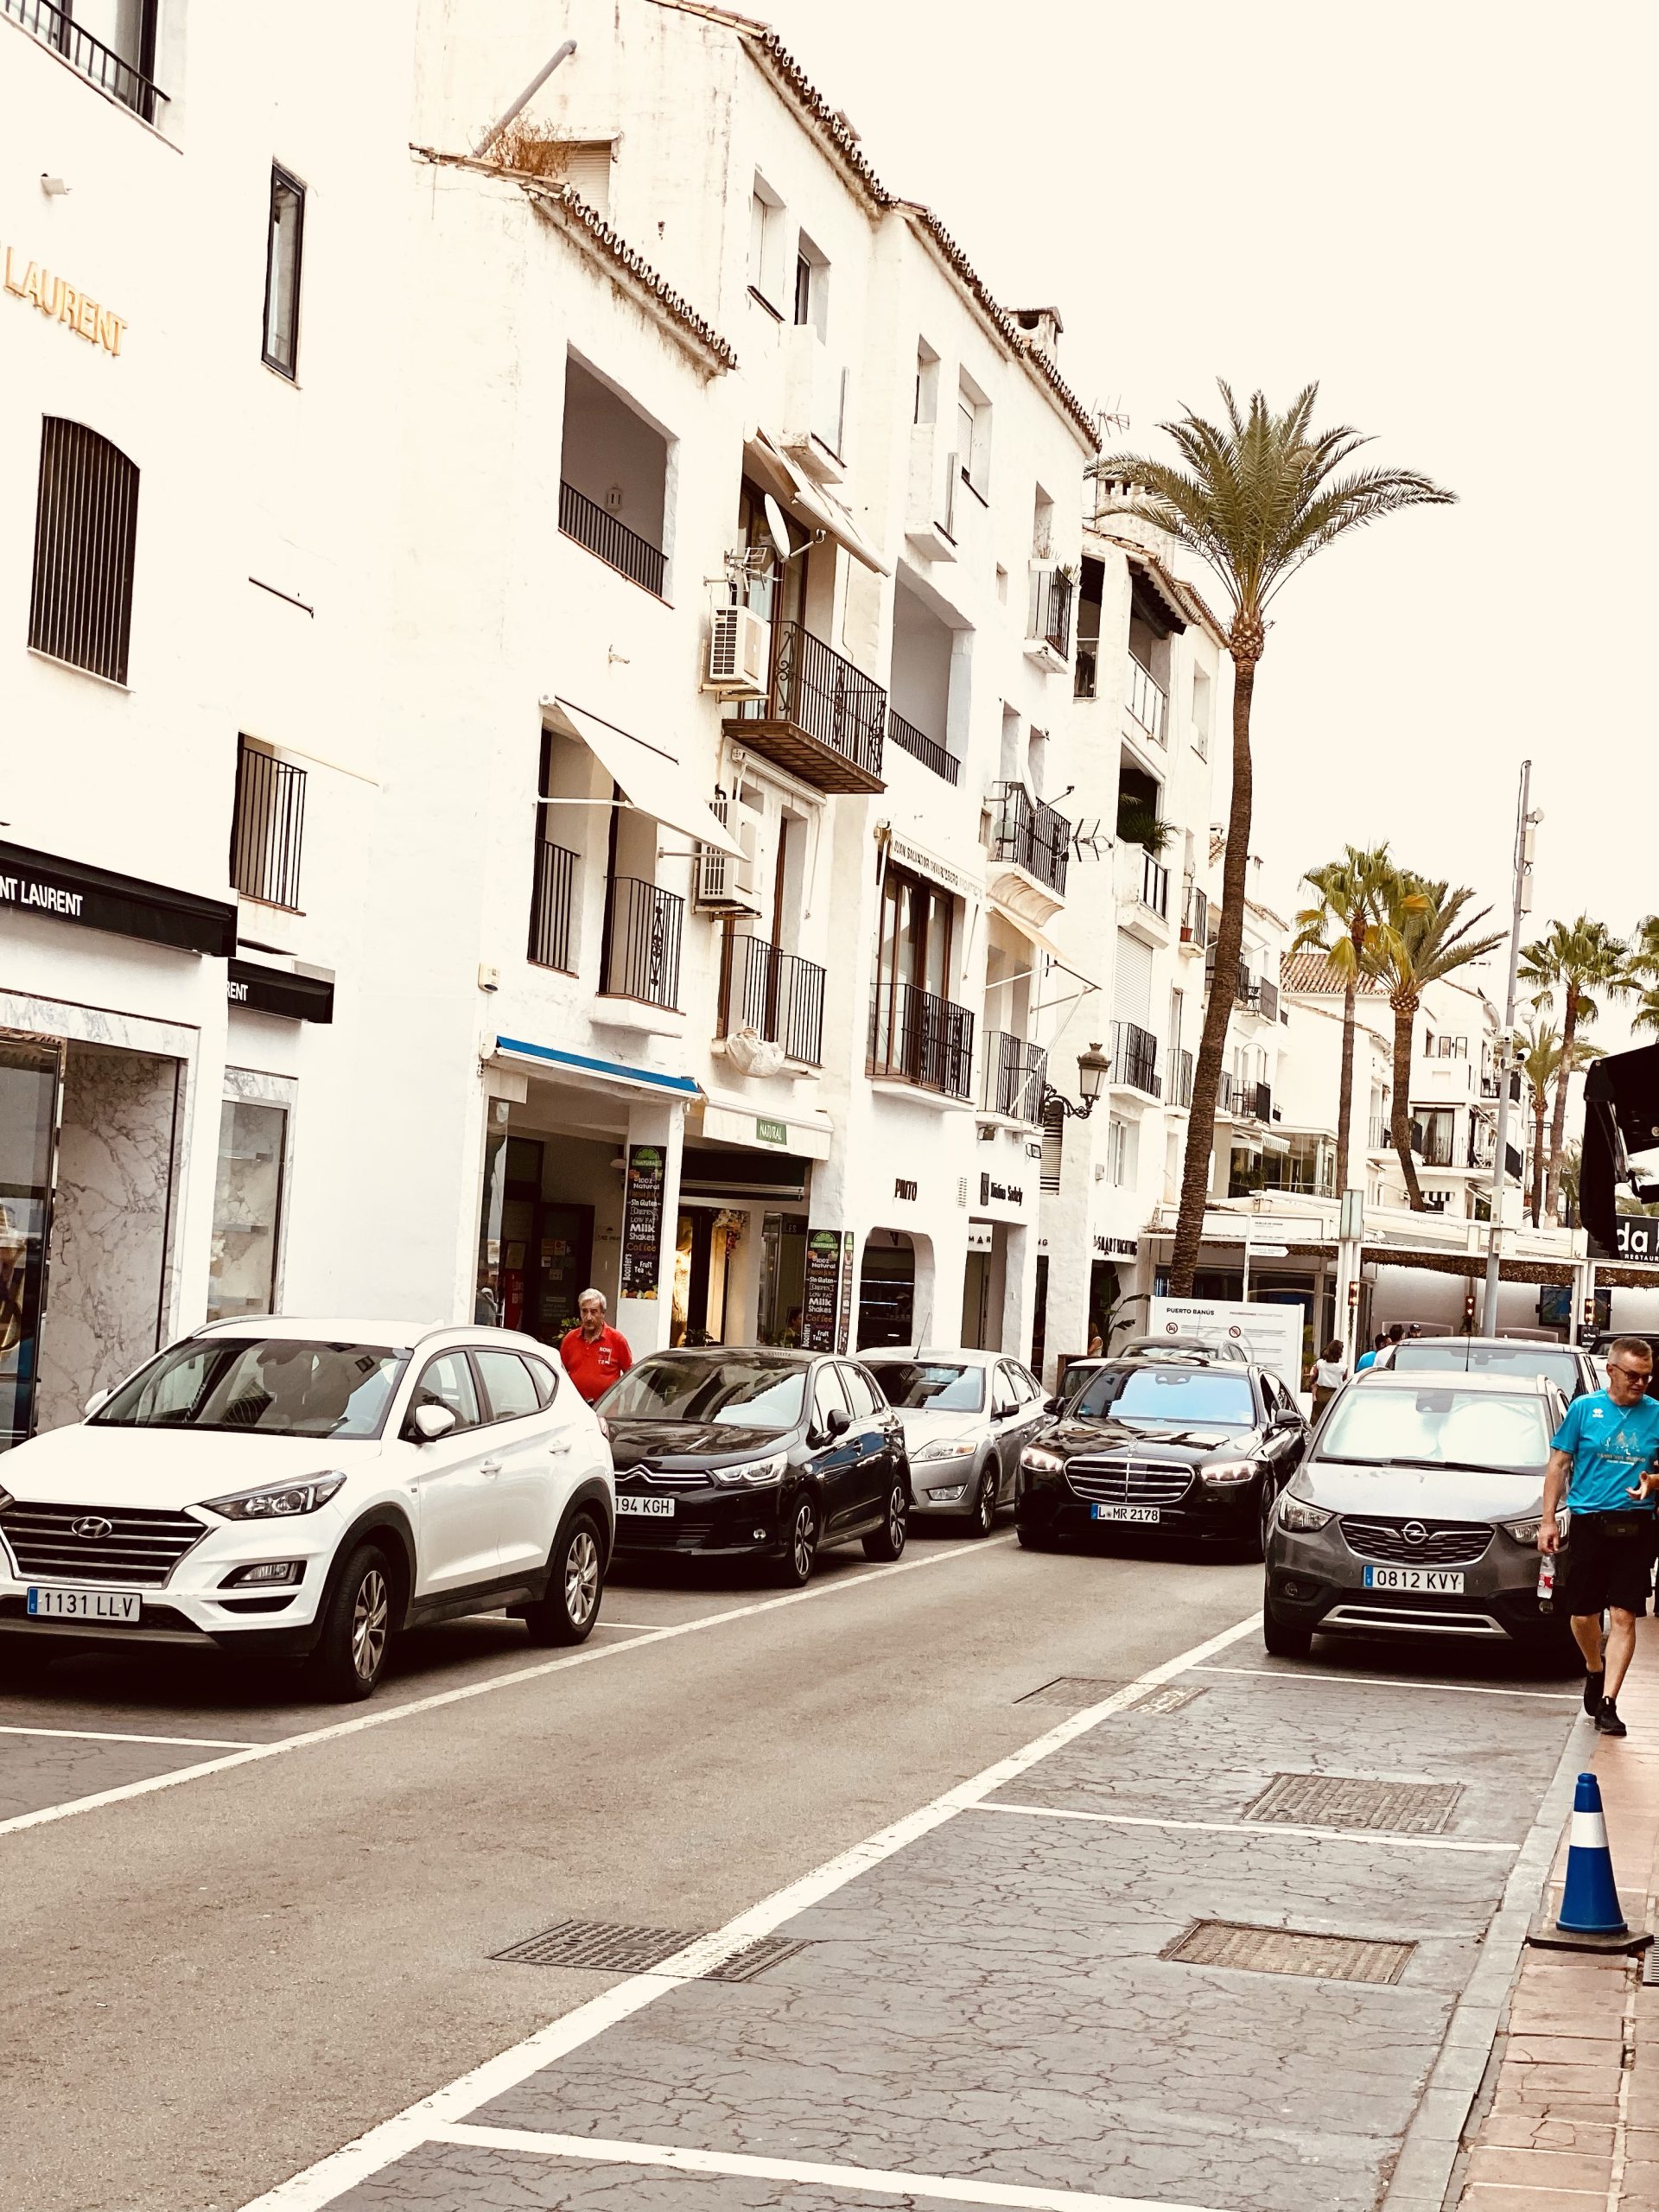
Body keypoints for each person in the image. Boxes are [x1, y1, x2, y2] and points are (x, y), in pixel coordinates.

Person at [1540, 1334, 1659, 1737]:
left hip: (1637, 1525)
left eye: (1647, 1376)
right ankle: (1595, 1666)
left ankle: (1608, 1703)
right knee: (1582, 1614)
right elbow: (1558, 1465)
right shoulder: (1583, 1409)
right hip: (1590, 1523)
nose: (1641, 1383)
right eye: (1633, 1375)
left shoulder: (1656, 1414)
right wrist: (1548, 1521)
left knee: (1624, 1615)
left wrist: (1652, 1482)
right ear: (1610, 1370)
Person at [559, 1287, 633, 1406]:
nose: (588, 1317)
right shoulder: (570, 1339)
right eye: (584, 1311)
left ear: (602, 1313)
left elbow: (631, 1376)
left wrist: (627, 1408)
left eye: (593, 1312)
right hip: (575, 1408)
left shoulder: (617, 1340)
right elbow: (560, 1373)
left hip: (606, 1410)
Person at [1312, 1338, 1346, 1417]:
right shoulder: (1343, 1367)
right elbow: (1344, 1382)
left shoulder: (1320, 1363)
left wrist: (1314, 1394)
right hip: (1335, 1395)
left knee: (1317, 1419)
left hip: (1320, 1394)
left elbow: (1314, 1377)